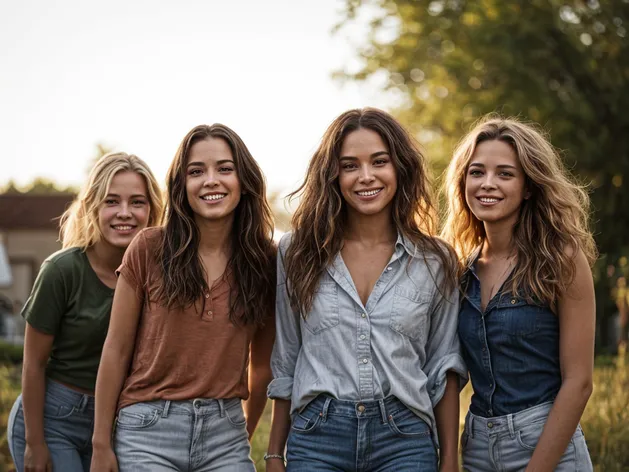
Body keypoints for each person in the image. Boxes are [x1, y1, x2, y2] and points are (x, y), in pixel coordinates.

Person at [265, 108, 467, 472]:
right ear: (333, 175)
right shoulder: (297, 252)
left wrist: (449, 460)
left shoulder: (436, 259)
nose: (366, 176)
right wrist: (275, 453)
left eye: (379, 161)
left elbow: (444, 365)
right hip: (317, 438)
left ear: (399, 168)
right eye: (350, 165)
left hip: (404, 439)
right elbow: (287, 358)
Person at [90, 124, 276, 472]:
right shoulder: (148, 248)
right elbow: (115, 350)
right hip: (147, 431)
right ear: (181, 185)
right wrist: (101, 443)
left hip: (226, 435)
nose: (211, 180)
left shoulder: (265, 260)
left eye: (224, 168)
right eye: (196, 171)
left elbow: (262, 365)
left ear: (244, 180)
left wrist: (243, 434)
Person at [441, 116, 597, 471]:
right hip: (478, 448)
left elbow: (579, 383)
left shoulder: (560, 260)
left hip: (548, 446)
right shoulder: (458, 270)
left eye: (505, 174)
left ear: (529, 186)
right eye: (476, 172)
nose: (487, 184)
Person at [7, 152, 163, 472]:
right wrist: (36, 444)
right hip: (52, 420)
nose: (124, 213)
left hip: (115, 423)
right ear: (93, 206)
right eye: (111, 201)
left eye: (137, 202)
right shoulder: (62, 270)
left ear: (152, 210)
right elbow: (33, 364)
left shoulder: (160, 276)